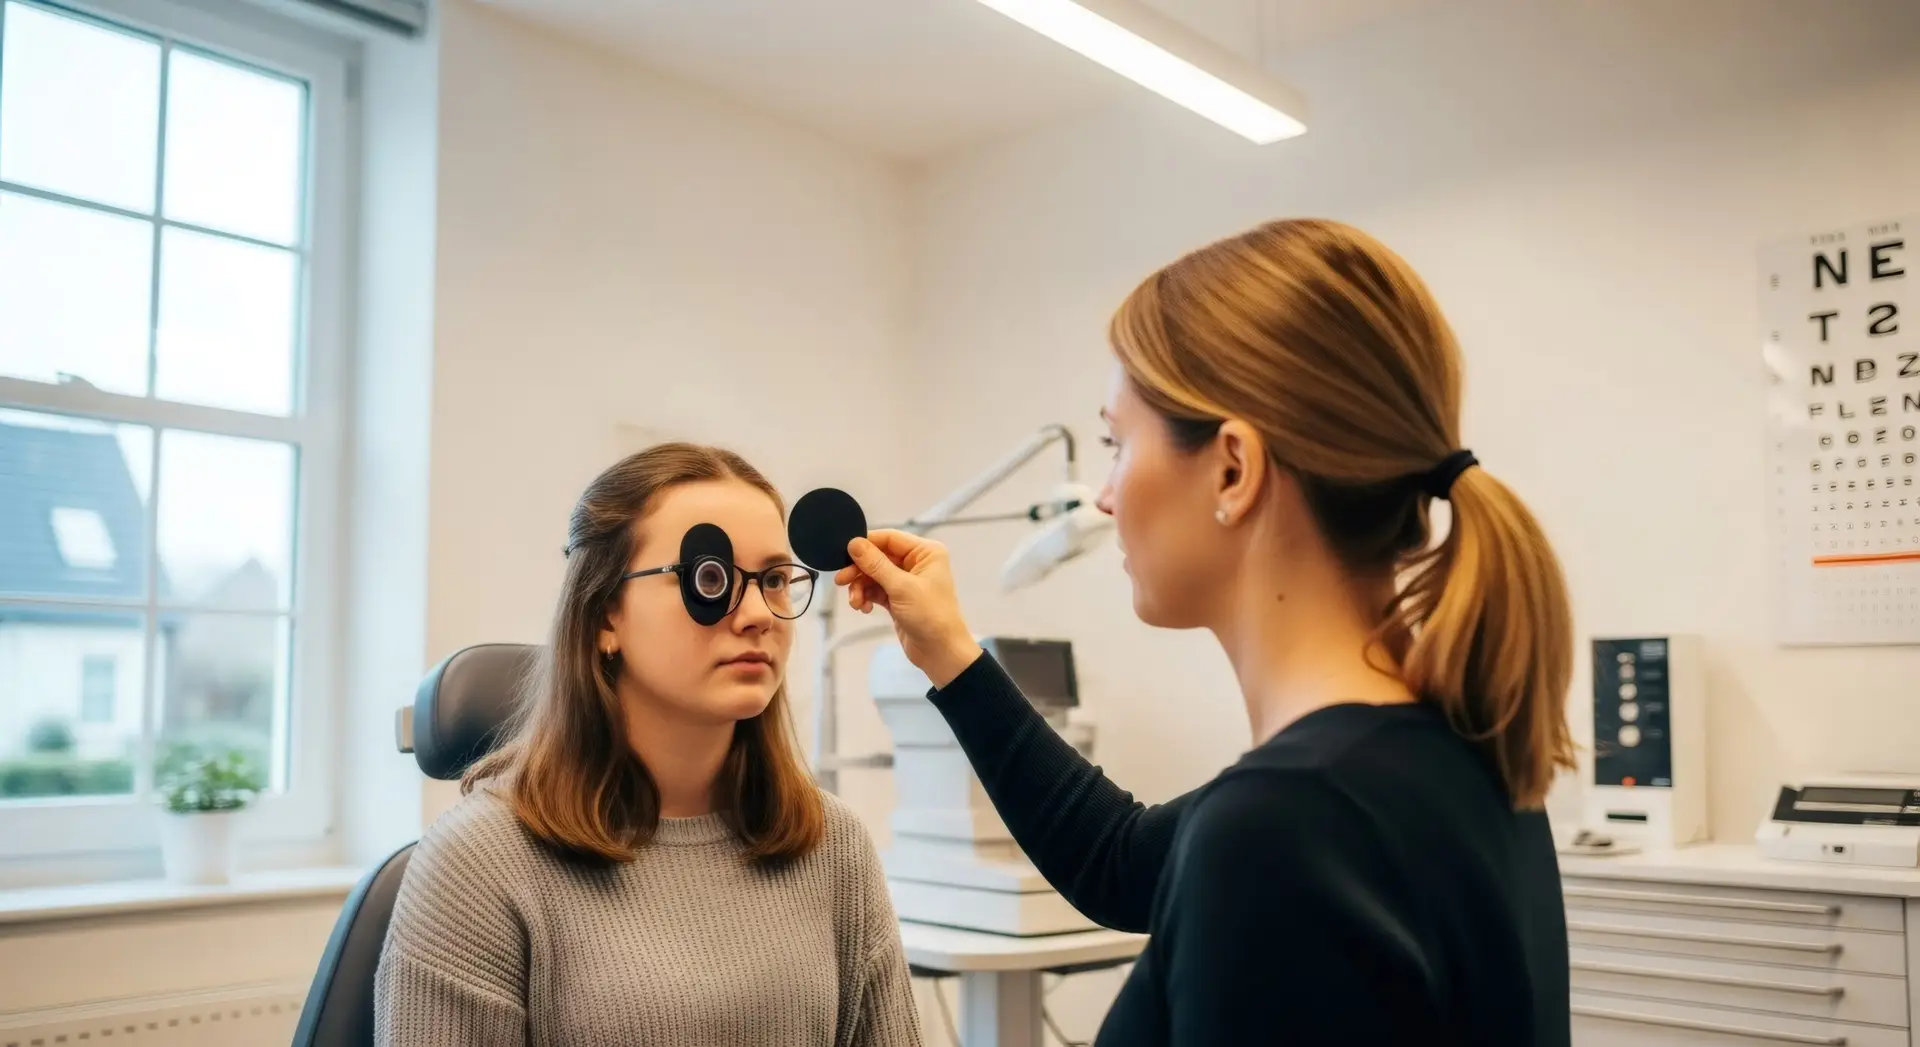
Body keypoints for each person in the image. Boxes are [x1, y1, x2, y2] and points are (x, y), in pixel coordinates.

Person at [839, 219, 1573, 1046]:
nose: (1107, 497)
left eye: (1117, 444)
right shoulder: (1459, 752)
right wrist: (951, 653)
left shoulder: (1285, 827)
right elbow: (1118, 858)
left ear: (1232, 468)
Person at [375, 443, 923, 1047]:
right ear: (606, 615)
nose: (756, 614)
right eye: (709, 577)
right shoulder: (480, 864)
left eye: (773, 580)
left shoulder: (834, 847)